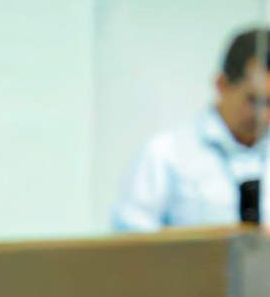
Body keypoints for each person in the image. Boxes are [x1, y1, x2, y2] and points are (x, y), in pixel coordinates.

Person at [112, 27, 270, 231]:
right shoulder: (167, 153)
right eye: (254, 101)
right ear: (222, 84)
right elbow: (130, 237)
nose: (264, 116)